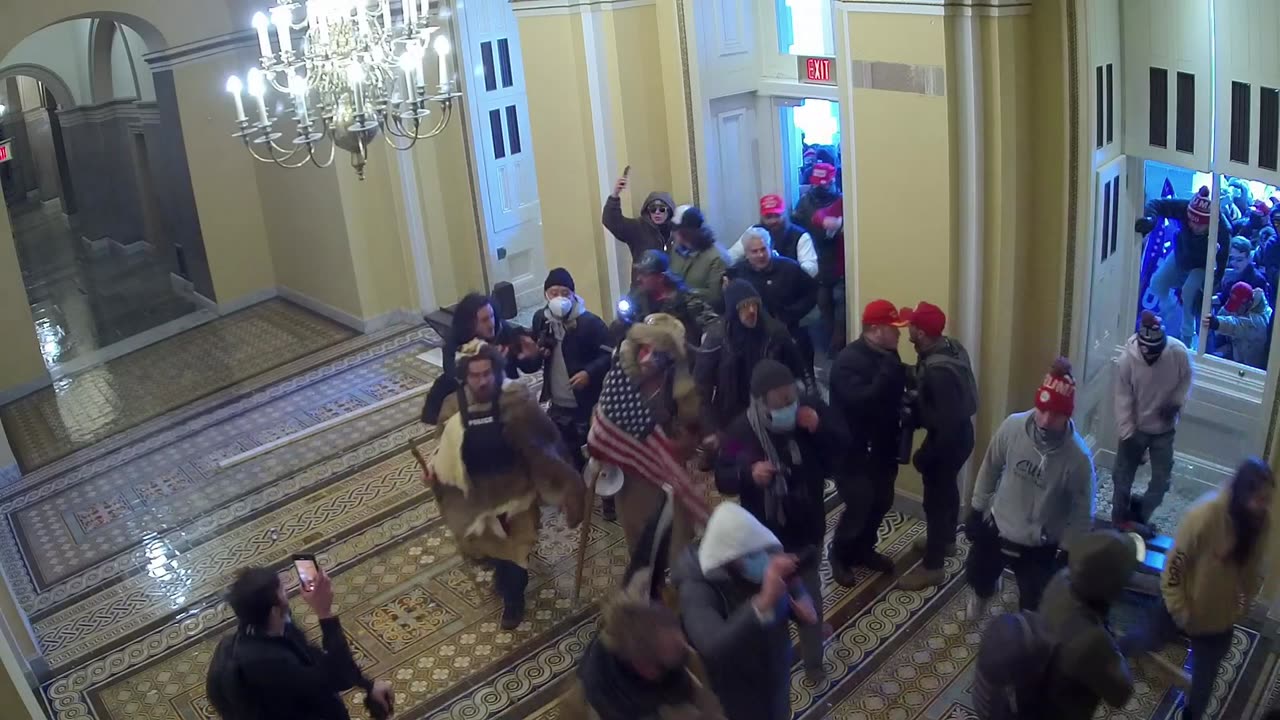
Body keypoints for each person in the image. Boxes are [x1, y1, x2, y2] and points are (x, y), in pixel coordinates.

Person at [422, 340, 585, 628]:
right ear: (465, 376)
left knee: (517, 553)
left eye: (487, 373)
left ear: (496, 370)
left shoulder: (516, 399)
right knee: (489, 550)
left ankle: (514, 600)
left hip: (516, 495)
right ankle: (502, 572)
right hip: (477, 499)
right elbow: (442, 448)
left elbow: (545, 445)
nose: (482, 380)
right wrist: (436, 471)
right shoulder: (452, 406)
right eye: (475, 375)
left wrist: (564, 486)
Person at [714, 360, 849, 679]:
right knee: (771, 601)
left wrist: (818, 426)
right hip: (764, 535)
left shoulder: (810, 410)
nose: (790, 407)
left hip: (808, 527)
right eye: (781, 403)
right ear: (761, 402)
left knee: (810, 598)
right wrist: (748, 474)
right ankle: (773, 658)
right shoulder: (739, 431)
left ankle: (814, 661)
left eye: (792, 399)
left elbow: (843, 446)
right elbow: (722, 475)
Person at [1118, 458, 1273, 720]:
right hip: (1180, 607)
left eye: (1267, 499)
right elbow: (1174, 568)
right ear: (1243, 493)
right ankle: (1114, 652)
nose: (1264, 506)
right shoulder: (1203, 516)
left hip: (1218, 620)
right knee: (1146, 639)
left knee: (1205, 679)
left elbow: (1252, 570)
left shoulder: (1259, 523)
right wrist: (1181, 610)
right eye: (1260, 498)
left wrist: (1241, 607)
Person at [966, 358, 1096, 617]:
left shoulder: (1078, 459)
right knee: (978, 573)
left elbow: (1082, 511)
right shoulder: (1013, 427)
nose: (1046, 420)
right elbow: (991, 465)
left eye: (1055, 414)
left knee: (1035, 603)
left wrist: (1070, 549)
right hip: (1000, 525)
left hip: (1039, 543)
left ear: (1067, 415)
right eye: (1042, 410)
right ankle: (984, 591)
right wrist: (977, 506)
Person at [675, 503, 819, 720]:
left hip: (775, 667)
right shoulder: (696, 589)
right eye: (752, 554)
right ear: (727, 560)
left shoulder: (759, 551)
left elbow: (785, 569)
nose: (764, 558)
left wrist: (801, 598)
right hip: (739, 688)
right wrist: (760, 604)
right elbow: (713, 647)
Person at [592, 315, 707, 567]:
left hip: (668, 466)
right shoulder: (620, 380)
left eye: (660, 353)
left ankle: (681, 584)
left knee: (679, 539)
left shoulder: (678, 379)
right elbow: (602, 419)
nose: (650, 358)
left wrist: (684, 441)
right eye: (646, 349)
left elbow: (693, 425)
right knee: (642, 541)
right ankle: (652, 589)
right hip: (632, 473)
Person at [205, 566, 395, 720]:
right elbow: (337, 679)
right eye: (281, 589)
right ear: (273, 610)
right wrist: (324, 613)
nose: (288, 590)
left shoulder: (270, 628)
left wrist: (368, 685)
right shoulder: (272, 664)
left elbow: (315, 658)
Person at [896, 302, 978, 591]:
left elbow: (944, 422)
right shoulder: (950, 347)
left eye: (912, 328)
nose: (908, 333)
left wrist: (924, 457)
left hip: (948, 440)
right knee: (949, 491)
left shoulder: (938, 371)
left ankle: (933, 567)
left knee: (935, 502)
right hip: (961, 435)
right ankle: (946, 542)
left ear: (921, 332)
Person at [828, 300, 908, 586]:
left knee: (882, 500)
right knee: (860, 502)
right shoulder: (848, 362)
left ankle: (864, 549)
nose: (899, 334)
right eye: (893, 328)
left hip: (883, 447)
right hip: (852, 451)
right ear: (875, 330)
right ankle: (839, 554)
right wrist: (888, 372)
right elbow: (862, 403)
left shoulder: (888, 354)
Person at [526, 268, 616, 518]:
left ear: (574, 295)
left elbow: (610, 354)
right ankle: (578, 496)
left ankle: (608, 498)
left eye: (564, 293)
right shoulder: (540, 320)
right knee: (567, 451)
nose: (558, 297)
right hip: (558, 401)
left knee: (599, 451)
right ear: (546, 294)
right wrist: (538, 353)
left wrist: (589, 373)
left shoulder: (590, 323)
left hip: (587, 403)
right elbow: (533, 355)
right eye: (553, 292)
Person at [1031, 530, 1138, 720]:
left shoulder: (1062, 579)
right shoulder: (1092, 640)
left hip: (1038, 687)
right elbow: (1120, 694)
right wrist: (1114, 651)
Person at [1112, 311, 1192, 532]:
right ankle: (1118, 522)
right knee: (1121, 478)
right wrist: (1127, 434)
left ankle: (1139, 516)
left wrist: (1176, 403)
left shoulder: (1178, 353)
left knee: (1161, 482)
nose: (1151, 358)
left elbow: (1186, 379)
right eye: (1148, 353)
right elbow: (1122, 399)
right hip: (1135, 428)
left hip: (1164, 431)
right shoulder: (1127, 361)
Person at [696, 280, 810, 432]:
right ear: (732, 311)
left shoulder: (776, 334)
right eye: (743, 306)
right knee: (738, 452)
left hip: (774, 412)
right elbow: (702, 387)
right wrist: (712, 429)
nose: (751, 310)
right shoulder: (718, 339)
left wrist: (804, 405)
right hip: (732, 416)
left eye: (754, 304)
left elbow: (799, 374)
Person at [421, 292, 539, 425]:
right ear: (470, 324)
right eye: (484, 320)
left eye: (492, 316)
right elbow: (455, 376)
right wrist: (492, 363)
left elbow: (529, 367)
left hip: (504, 397)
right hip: (470, 403)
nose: (491, 324)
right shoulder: (455, 343)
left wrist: (533, 355)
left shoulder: (503, 331)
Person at [1135, 186, 1231, 344]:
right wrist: (1151, 220)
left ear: (1211, 224)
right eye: (1191, 221)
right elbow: (1156, 204)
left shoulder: (1222, 232)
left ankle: (1187, 337)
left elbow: (1220, 268)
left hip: (1202, 264)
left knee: (1189, 292)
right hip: (1181, 253)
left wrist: (1209, 290)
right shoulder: (1185, 208)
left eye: (1199, 225)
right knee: (1157, 282)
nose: (1193, 226)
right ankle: (1170, 313)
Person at [727, 227, 818, 369]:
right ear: (746, 253)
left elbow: (812, 293)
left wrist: (790, 314)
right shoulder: (737, 273)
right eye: (755, 251)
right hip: (751, 334)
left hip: (788, 329)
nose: (760, 255)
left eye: (764, 249)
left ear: (771, 248)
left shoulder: (790, 268)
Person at [619, 250, 717, 346]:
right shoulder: (638, 298)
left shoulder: (686, 299)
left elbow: (712, 325)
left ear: (660, 277)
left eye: (645, 274)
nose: (639, 278)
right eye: (639, 273)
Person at [726, 194, 818, 277]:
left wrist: (789, 274)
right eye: (768, 217)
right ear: (761, 217)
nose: (773, 221)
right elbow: (731, 257)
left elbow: (812, 268)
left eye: (777, 216)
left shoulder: (800, 235)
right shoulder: (753, 232)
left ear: (784, 214)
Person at [603, 172, 675, 278]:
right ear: (647, 211)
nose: (657, 212)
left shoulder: (677, 232)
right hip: (643, 288)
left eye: (662, 209)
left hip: (669, 288)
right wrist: (615, 195)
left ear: (669, 211)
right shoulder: (637, 228)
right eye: (653, 209)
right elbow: (611, 221)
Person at [669, 205, 729, 311]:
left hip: (705, 319)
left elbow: (715, 297)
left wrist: (682, 293)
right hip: (677, 313)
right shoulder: (676, 250)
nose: (673, 233)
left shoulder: (717, 257)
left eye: (676, 229)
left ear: (688, 232)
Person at [1206, 281, 1274, 369]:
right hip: (1238, 360)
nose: (1234, 310)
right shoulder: (1245, 305)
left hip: (1254, 370)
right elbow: (1225, 312)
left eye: (1237, 307)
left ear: (1248, 303)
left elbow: (1236, 325)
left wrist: (1217, 323)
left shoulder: (1260, 321)